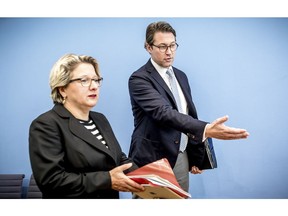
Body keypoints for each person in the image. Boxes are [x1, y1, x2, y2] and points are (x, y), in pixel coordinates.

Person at [128, 21, 249, 193]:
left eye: (172, 45)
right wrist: (206, 129)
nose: (169, 52)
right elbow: (164, 113)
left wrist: (195, 155)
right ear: (148, 47)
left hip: (181, 156)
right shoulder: (139, 79)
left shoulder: (180, 75)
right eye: (162, 47)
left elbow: (187, 115)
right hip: (152, 158)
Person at [29, 53, 144, 198]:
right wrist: (107, 180)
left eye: (96, 80)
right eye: (84, 80)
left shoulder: (100, 119)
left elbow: (118, 158)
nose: (94, 86)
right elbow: (51, 181)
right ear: (62, 89)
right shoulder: (46, 124)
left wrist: (148, 180)